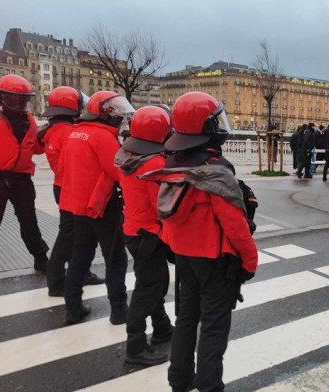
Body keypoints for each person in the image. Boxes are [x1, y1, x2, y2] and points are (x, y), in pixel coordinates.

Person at [141, 92, 258, 392]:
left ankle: (179, 381)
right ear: (206, 126)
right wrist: (249, 261)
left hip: (184, 257)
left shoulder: (171, 161)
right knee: (213, 332)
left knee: (186, 321)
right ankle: (209, 386)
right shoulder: (215, 170)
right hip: (215, 261)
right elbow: (235, 225)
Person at [60, 90, 132, 324]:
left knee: (80, 255)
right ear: (105, 113)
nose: (119, 117)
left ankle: (73, 307)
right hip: (102, 206)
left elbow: (63, 168)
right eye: (116, 112)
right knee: (115, 258)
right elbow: (119, 172)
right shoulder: (103, 137)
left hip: (78, 205)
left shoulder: (75, 133)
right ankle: (119, 311)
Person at [114, 105, 174, 365]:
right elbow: (161, 208)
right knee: (148, 288)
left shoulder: (127, 154)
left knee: (156, 282)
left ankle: (162, 328)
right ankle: (135, 346)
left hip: (134, 230)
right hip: (150, 234)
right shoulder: (155, 164)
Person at [39, 86, 103, 296]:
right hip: (72, 187)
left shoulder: (53, 131)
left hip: (62, 185)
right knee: (70, 235)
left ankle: (78, 273)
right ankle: (56, 280)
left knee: (76, 234)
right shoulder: (68, 133)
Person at [0, 74, 49, 273]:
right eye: (13, 97)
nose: (18, 102)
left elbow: (34, 149)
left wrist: (45, 137)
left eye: (22, 98)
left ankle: (41, 259)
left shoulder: (29, 121)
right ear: (2, 97)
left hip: (21, 180)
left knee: (29, 221)